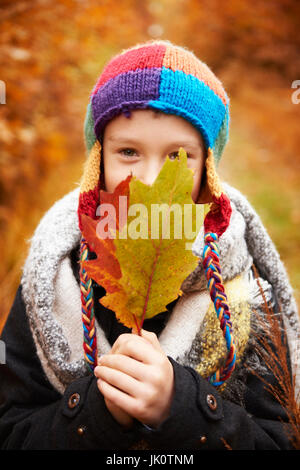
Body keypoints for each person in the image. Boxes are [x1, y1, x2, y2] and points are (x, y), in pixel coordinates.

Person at [0, 39, 299, 451]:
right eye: (127, 152)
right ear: (98, 162)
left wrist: (184, 409)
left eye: (178, 157)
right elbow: (11, 429)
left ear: (207, 171)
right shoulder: (53, 278)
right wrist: (96, 414)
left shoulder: (246, 294)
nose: (147, 179)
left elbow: (282, 438)